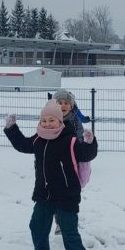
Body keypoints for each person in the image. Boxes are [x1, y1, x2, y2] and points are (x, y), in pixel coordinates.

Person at [4, 100, 99, 250]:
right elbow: (22, 145)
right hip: (44, 195)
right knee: (37, 226)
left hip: (67, 196)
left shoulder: (70, 140)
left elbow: (86, 154)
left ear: (60, 121)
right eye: (44, 120)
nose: (47, 123)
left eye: (52, 120)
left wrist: (90, 142)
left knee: (69, 233)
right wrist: (11, 128)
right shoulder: (38, 139)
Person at [51, 88, 90, 234]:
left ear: (71, 105)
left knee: (70, 194)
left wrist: (79, 150)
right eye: (60, 102)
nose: (63, 105)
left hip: (71, 161)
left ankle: (69, 220)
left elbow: (79, 137)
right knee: (55, 194)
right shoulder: (50, 118)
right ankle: (59, 221)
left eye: (66, 102)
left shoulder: (75, 119)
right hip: (54, 163)